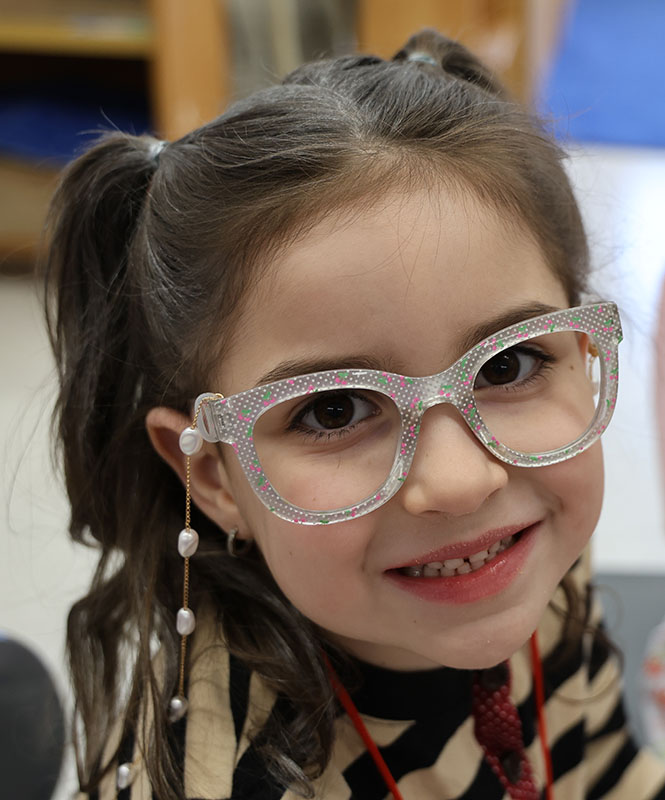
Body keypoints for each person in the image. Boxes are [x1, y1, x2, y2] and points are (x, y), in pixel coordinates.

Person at [42, 28, 665, 800]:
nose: (461, 480)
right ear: (212, 474)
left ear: (579, 350)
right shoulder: (236, 777)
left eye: (509, 363)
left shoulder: (529, 547)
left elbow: (604, 767)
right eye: (334, 410)